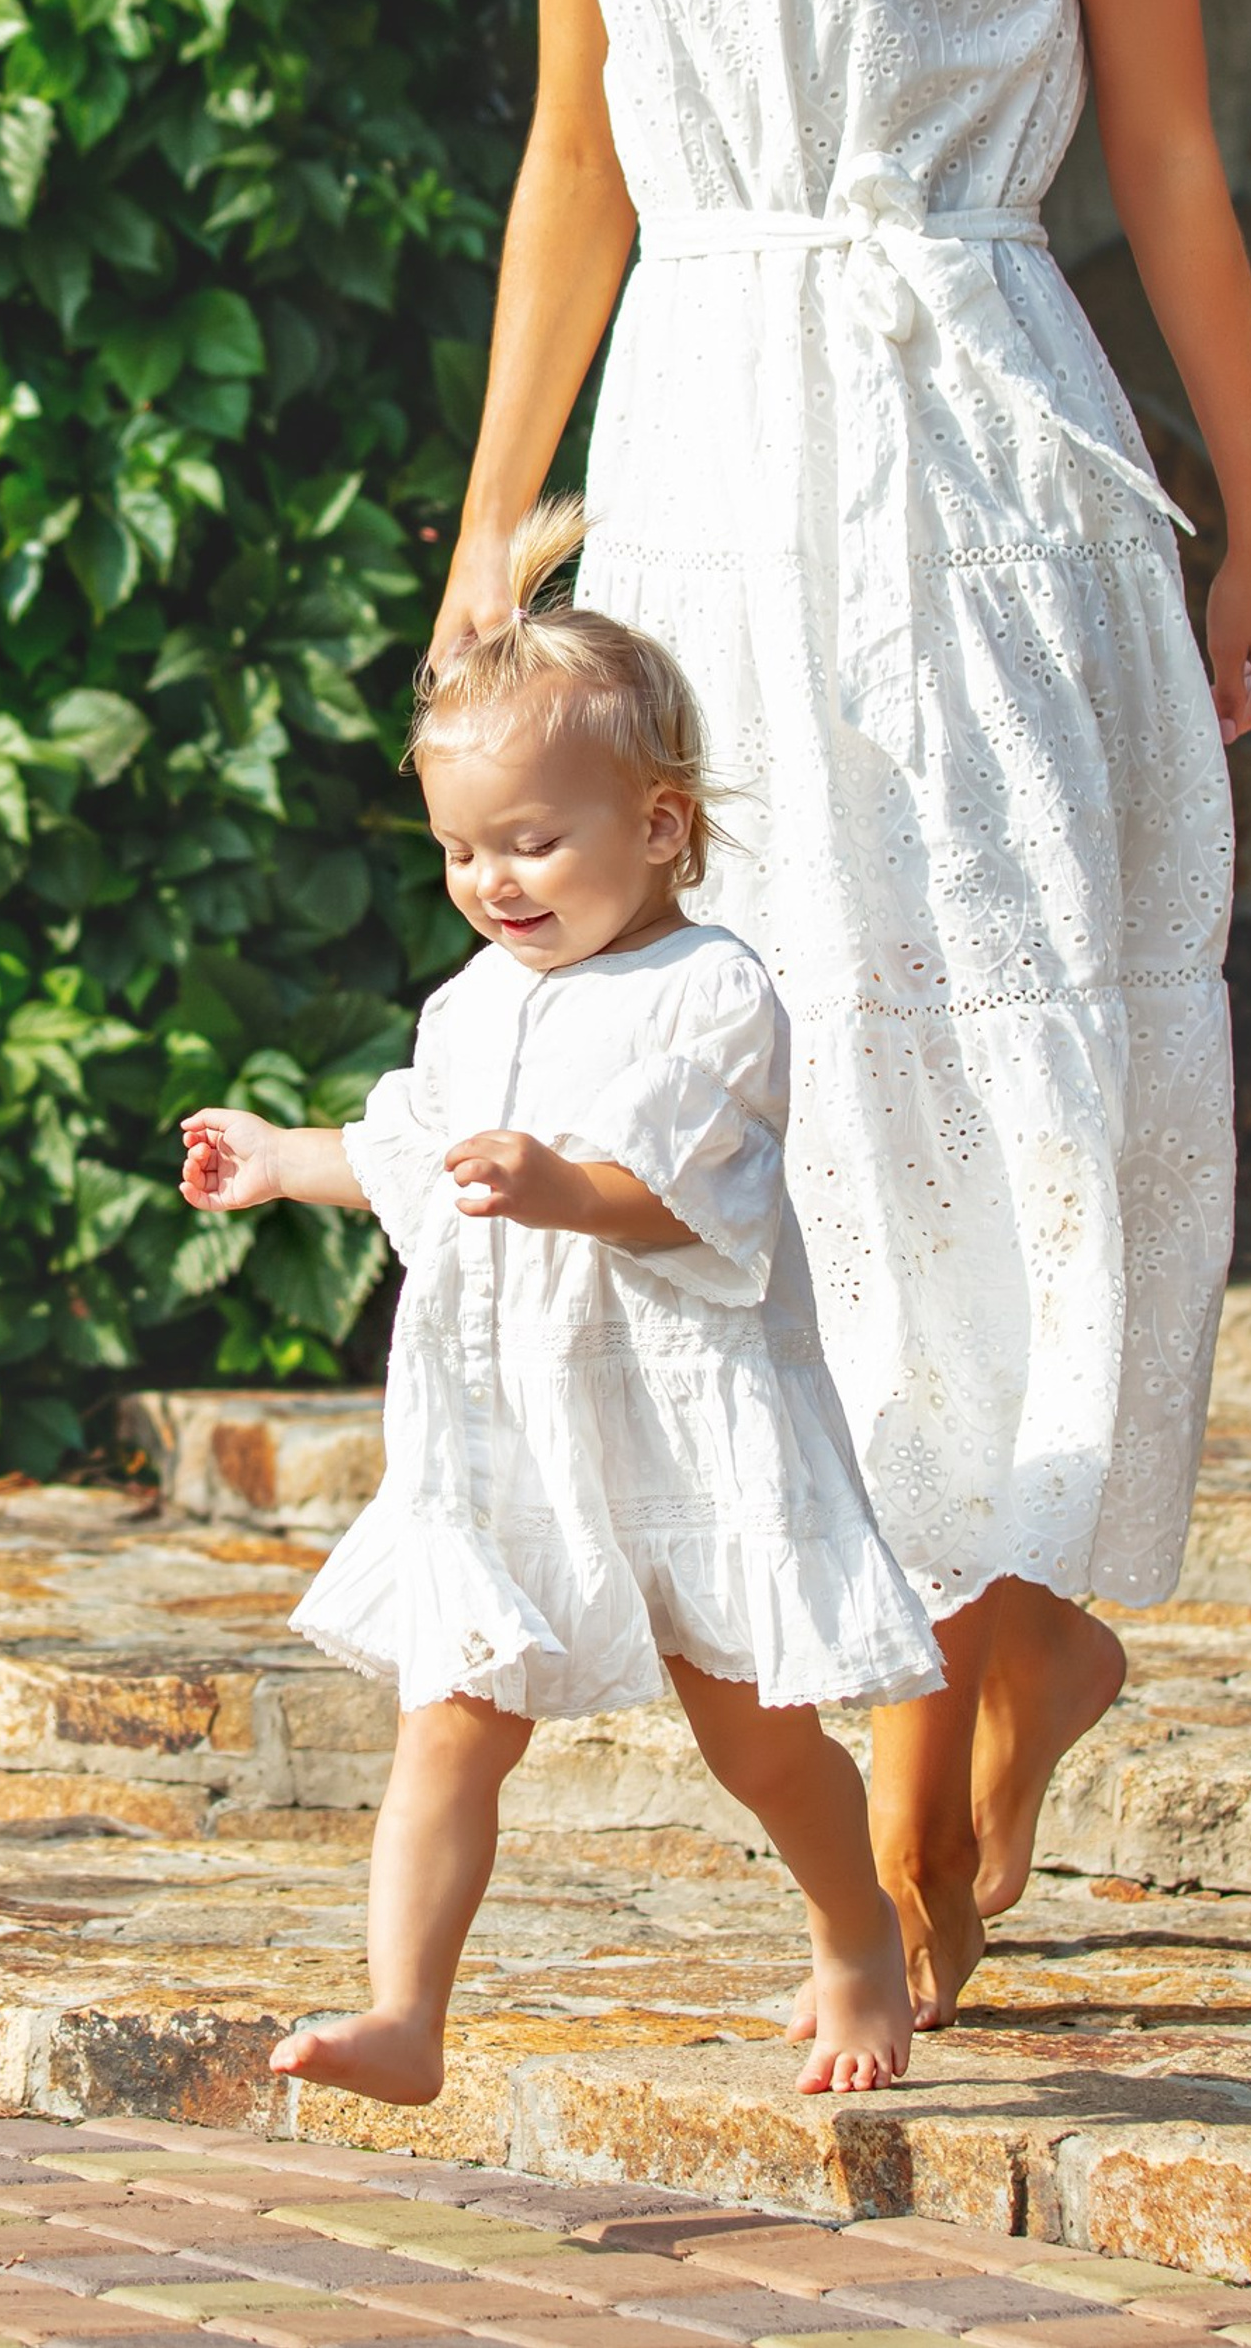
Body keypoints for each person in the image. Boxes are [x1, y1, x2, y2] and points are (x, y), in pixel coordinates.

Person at [434, 0, 1251, 2031]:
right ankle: (910, 1652)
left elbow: (1170, 158)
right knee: (780, 1044)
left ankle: (1019, 1637)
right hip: (704, 444)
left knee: (1024, 1027)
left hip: (981, 442)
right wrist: (498, 511)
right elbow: (572, 158)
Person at [180, 501, 943, 2106]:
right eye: (463, 849)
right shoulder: (473, 1000)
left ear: (662, 826)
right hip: (509, 1427)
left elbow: (689, 1201)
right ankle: (407, 2013)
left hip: (678, 1419)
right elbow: (410, 1152)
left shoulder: (711, 993)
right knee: (450, 1715)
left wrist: (560, 1188)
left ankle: (858, 1931)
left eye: (533, 841)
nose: (492, 880)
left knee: (757, 1741)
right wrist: (278, 1159)